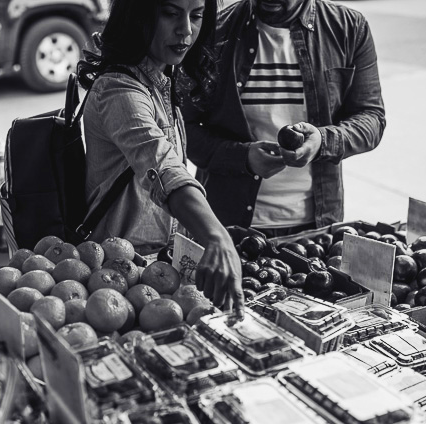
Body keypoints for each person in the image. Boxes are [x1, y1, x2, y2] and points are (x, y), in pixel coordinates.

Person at [77, 0, 243, 312]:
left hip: (156, 271)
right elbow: (163, 166)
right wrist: (216, 236)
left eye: (196, 15)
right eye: (170, 14)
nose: (186, 30)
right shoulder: (119, 91)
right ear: (138, 17)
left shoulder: (162, 81)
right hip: (117, 279)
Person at [182, 0, 386, 237]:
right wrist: (242, 157)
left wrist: (322, 140)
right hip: (224, 225)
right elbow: (183, 127)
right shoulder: (214, 31)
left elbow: (371, 117)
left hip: (317, 225)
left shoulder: (349, 28)